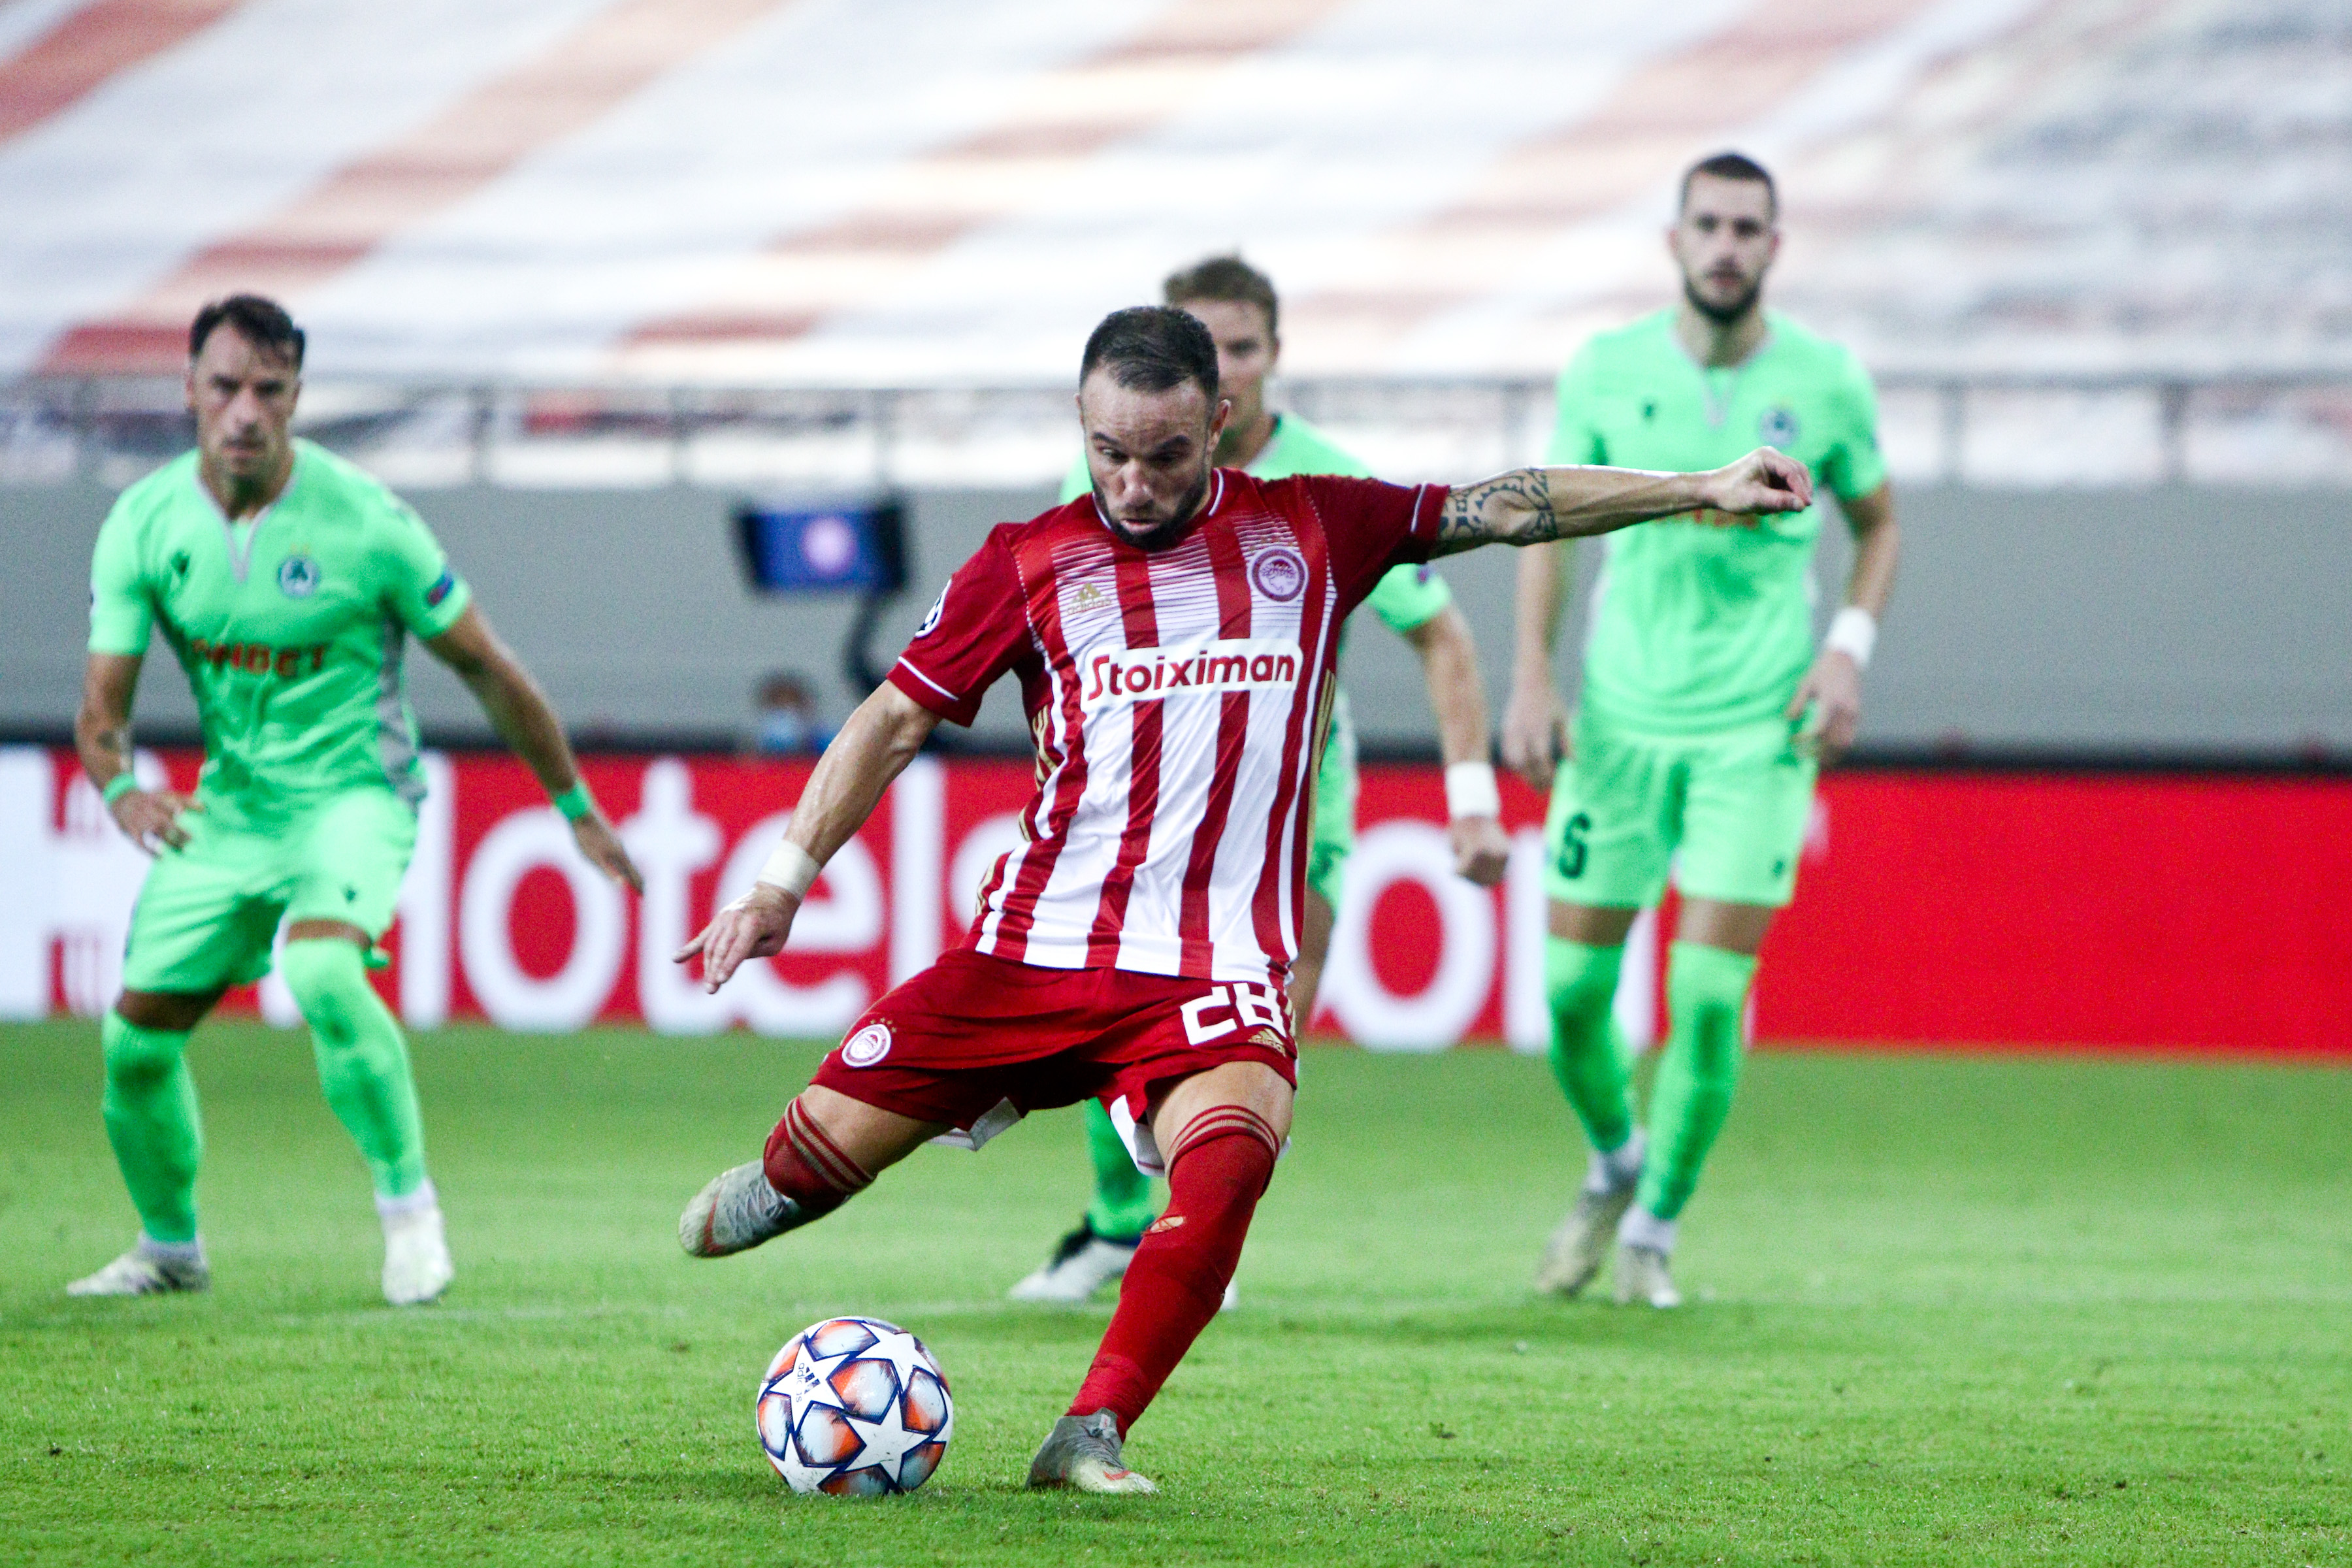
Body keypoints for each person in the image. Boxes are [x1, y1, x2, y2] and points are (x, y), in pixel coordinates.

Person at [673, 304, 1811, 1493]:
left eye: (1166, 454)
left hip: (1213, 968)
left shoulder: (1314, 524)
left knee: (1229, 1163)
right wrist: (780, 882)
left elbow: (1512, 504)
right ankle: (779, 1187)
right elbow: (893, 720)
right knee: (790, 1185)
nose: (1135, 484)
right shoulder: (1026, 561)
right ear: (1081, 424)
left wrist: (1698, 487)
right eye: (1110, 452)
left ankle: (1090, 1431)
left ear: (1220, 422)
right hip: (1030, 951)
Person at [69, 295, 642, 1305]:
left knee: (324, 970)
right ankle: (169, 1249)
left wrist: (576, 807)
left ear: (297, 395)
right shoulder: (143, 525)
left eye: (269, 390)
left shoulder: (368, 523)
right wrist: (121, 790)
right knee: (135, 1041)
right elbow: (101, 714)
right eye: (226, 387)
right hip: (232, 812)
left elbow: (488, 667)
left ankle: (411, 1216)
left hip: (355, 798)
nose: (246, 412)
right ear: (190, 390)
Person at [1010, 255, 1508, 1306]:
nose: (1223, 365)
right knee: (1104, 1020)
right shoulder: (1101, 477)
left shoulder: (1326, 484)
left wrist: (1471, 799)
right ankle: (1115, 1226)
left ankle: (1197, 1237)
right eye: (1206, 344)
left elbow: (1440, 632)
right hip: (1143, 806)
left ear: (1273, 355)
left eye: (1241, 346)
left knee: (1258, 1030)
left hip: (1291, 809)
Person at [1503, 152, 1901, 1310]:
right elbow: (1548, 523)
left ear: (1775, 246)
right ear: (1675, 241)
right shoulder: (1606, 368)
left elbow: (1879, 523)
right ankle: (1615, 1161)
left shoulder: (1826, 379)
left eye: (1747, 228)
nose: (1727, 246)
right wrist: (1531, 676)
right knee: (1572, 992)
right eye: (1709, 225)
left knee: (1712, 996)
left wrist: (1847, 649)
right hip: (1620, 721)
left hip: (1756, 729)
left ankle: (1654, 1231)